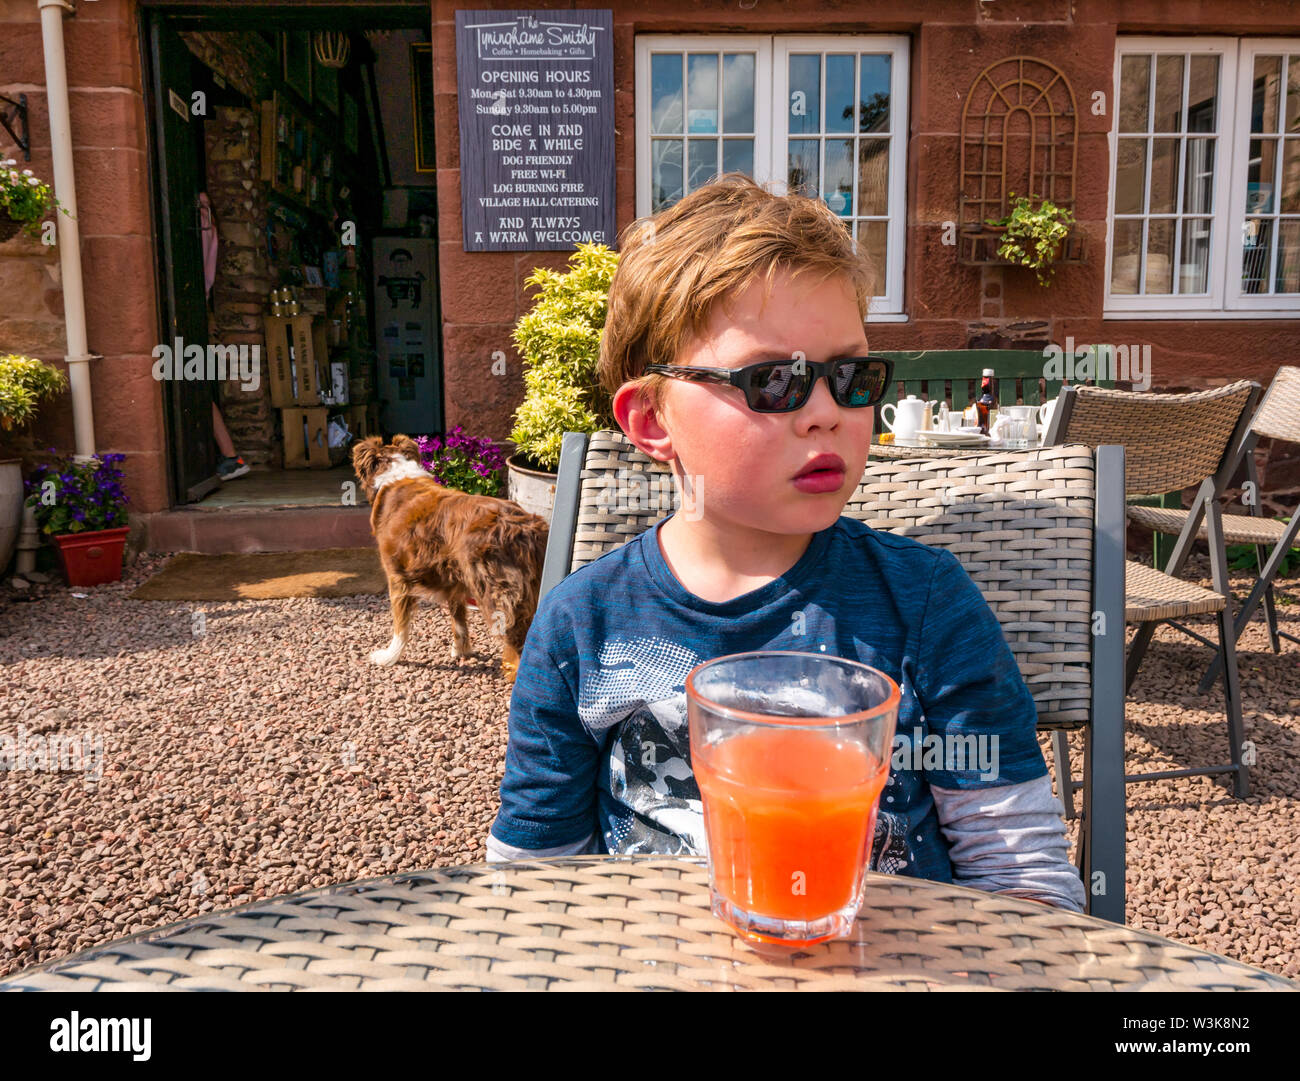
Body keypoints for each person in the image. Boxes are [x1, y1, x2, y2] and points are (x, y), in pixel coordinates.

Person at [486, 173, 1086, 912]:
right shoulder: (583, 624)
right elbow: (534, 888)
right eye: (774, 381)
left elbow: (1023, 880)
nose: (828, 413)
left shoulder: (926, 602)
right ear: (651, 422)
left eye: (851, 376)